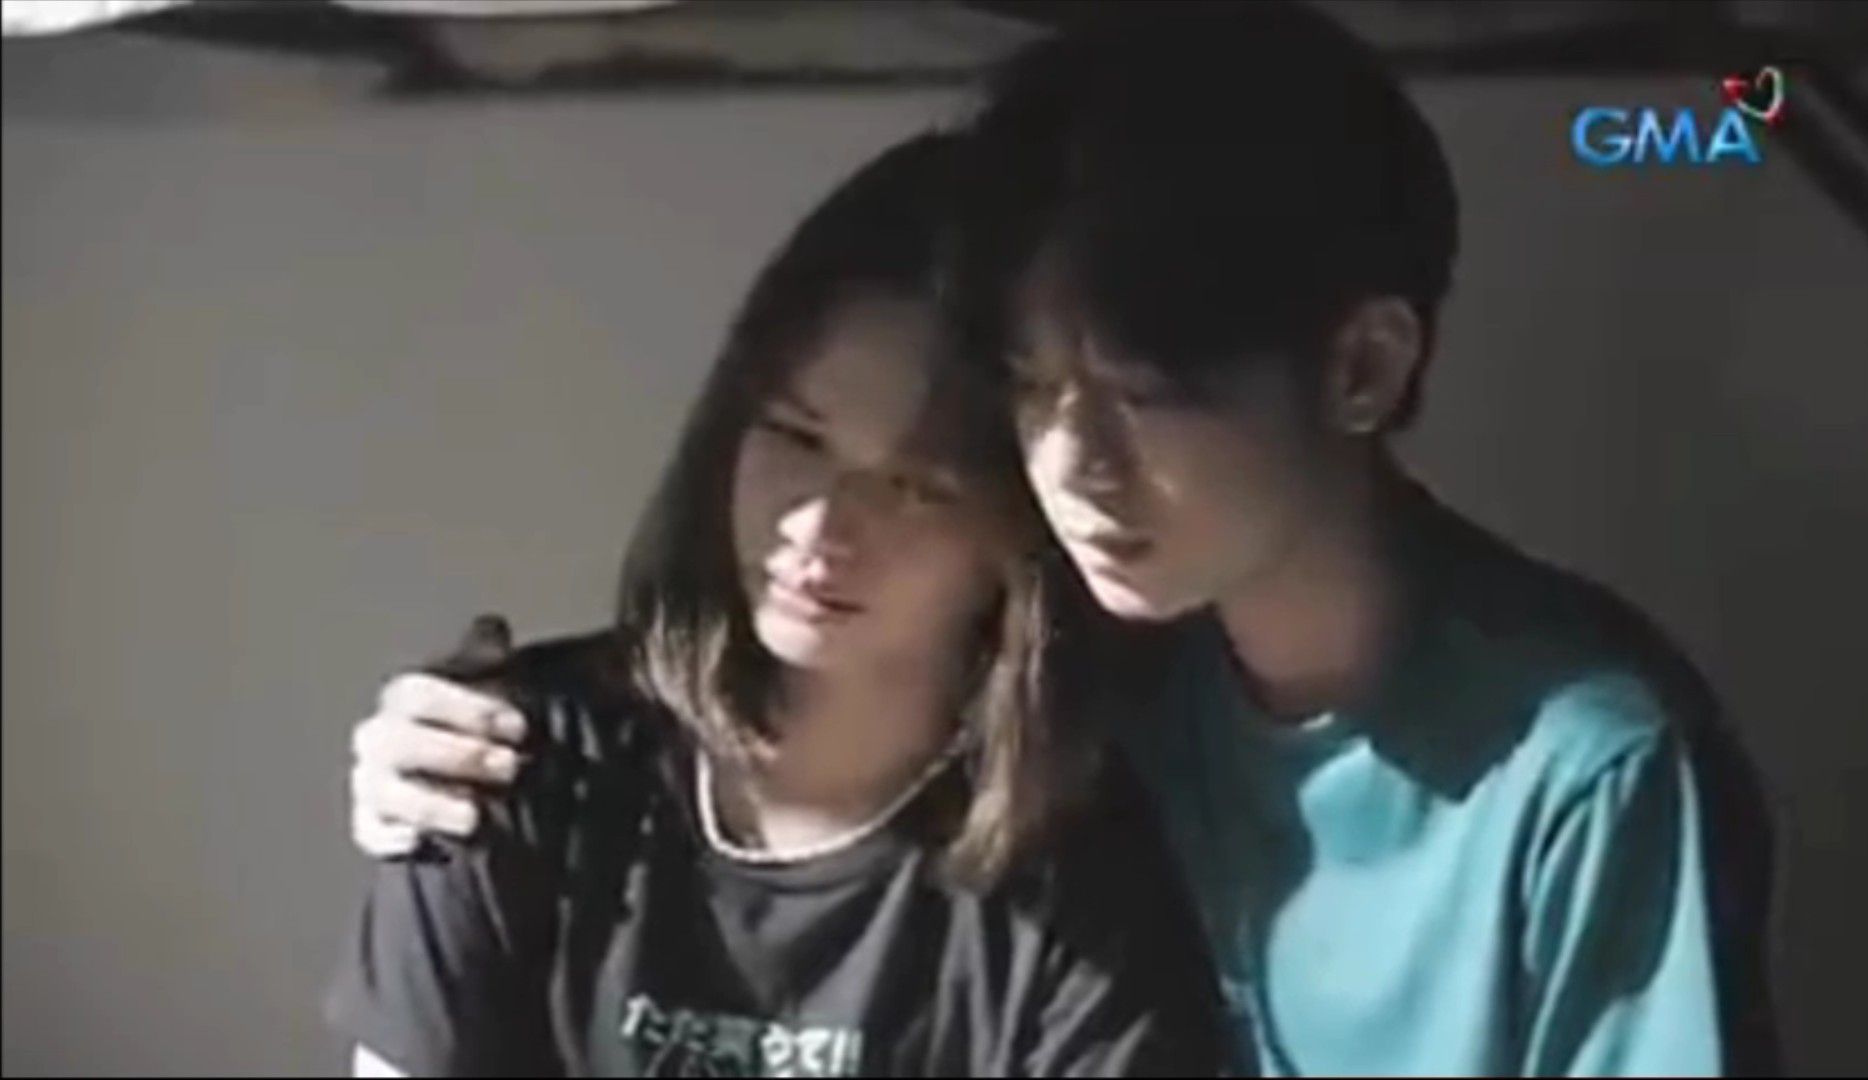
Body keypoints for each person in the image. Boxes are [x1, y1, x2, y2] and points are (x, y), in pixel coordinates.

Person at [349, 7, 1780, 1076]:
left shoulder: (1583, 763)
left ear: (1362, 368)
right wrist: (441, 755)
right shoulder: (1102, 674)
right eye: (1034, 392)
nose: (1073, 468)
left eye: (1142, 395)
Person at [325, 132, 1225, 1078]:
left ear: (1023, 529)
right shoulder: (516, 756)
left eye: (916, 486)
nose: (821, 524)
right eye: (797, 435)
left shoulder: (1089, 879)